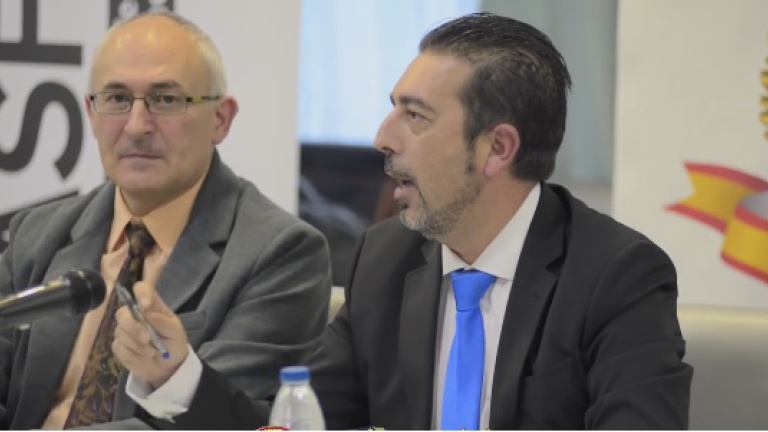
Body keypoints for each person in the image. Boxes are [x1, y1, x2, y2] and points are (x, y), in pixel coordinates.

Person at [117, 12, 693, 430]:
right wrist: (178, 375)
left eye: (415, 117)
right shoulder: (384, 261)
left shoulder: (617, 276)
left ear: (497, 148)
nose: (382, 138)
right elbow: (299, 426)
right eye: (393, 108)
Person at [0, 11, 331, 430]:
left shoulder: (281, 252)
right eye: (117, 98)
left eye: (167, 100)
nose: (137, 126)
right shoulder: (37, 233)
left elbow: (226, 422)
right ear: (91, 112)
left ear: (220, 119)